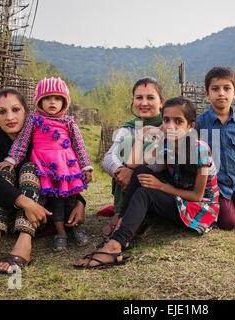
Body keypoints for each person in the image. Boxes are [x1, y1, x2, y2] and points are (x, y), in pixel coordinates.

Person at [73, 97, 219, 269]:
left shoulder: (200, 150)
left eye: (178, 121)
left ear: (191, 126)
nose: (170, 126)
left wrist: (161, 186)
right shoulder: (167, 144)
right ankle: (121, 223)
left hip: (200, 208)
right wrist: (143, 136)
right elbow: (133, 164)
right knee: (141, 172)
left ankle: (115, 244)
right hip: (178, 198)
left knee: (146, 192)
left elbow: (197, 196)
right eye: (166, 120)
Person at [0, 88, 87, 276]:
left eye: (16, 110)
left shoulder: (41, 136)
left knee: (31, 169)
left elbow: (61, 173)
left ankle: (24, 244)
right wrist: (24, 202)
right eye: (2, 112)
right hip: (2, 216)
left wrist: (80, 202)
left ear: (27, 112)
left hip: (40, 214)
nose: (10, 117)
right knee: (0, 173)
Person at [0, 77, 93, 252]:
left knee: (70, 199)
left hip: (67, 166)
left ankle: (76, 228)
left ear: (64, 101)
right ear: (39, 101)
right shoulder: (33, 120)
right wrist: (11, 159)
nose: (52, 102)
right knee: (55, 201)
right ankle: (61, 232)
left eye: (57, 98)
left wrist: (86, 167)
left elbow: (79, 146)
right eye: (48, 98)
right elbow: (22, 142)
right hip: (46, 167)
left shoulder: (68, 122)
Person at [196, 66, 235, 235]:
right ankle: (217, 211)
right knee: (228, 223)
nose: (221, 93)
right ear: (207, 94)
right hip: (214, 186)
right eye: (215, 89)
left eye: (227, 88)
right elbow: (192, 159)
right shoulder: (200, 123)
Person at [101, 77, 164, 237]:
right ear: (133, 100)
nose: (144, 103)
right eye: (139, 98)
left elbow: (163, 161)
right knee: (128, 142)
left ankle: (128, 216)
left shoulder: (168, 125)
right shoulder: (128, 128)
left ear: (161, 101)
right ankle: (121, 213)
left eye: (150, 98)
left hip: (158, 183)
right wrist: (122, 170)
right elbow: (109, 158)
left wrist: (133, 172)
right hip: (129, 182)